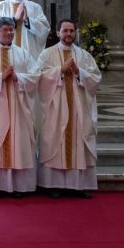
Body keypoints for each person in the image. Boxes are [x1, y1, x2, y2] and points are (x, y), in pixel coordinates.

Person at [37, 19, 101, 198]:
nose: (68, 34)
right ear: (58, 33)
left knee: (78, 141)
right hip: (56, 107)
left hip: (78, 107)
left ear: (76, 33)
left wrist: (80, 72)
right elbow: (38, 78)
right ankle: (54, 185)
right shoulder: (47, 55)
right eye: (65, 31)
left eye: (71, 31)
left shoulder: (84, 55)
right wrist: (59, 70)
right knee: (55, 141)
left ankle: (78, 185)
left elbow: (95, 78)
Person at [0, 17, 40, 196]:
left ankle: (19, 186)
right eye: (5, 29)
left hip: (18, 107)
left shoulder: (23, 54)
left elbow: (35, 76)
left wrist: (18, 77)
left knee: (18, 143)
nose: (9, 33)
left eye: (11, 29)